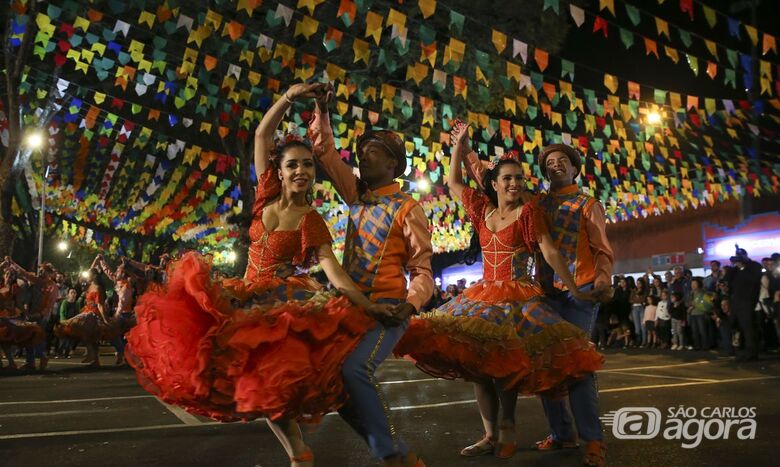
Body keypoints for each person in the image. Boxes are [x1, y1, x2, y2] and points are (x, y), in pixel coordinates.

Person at [127, 83, 399, 467]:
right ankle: (298, 452)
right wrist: (290, 96)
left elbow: (334, 272)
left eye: (308, 164)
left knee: (282, 383)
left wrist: (368, 305)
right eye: (293, 164)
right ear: (280, 171)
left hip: (282, 304)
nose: (302, 170)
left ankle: (352, 452)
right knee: (251, 383)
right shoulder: (266, 195)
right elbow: (262, 135)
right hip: (243, 296)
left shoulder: (312, 221)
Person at [394, 122, 603, 460]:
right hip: (482, 296)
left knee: (505, 367)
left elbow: (548, 250)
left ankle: (508, 429)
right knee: (478, 367)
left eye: (519, 178)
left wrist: (577, 289)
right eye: (507, 178)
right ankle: (490, 435)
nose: (515, 183)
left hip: (519, 298)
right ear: (494, 184)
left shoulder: (529, 211)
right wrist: (458, 145)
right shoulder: (481, 210)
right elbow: (454, 182)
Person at [309, 83, 432, 467]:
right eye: (361, 153)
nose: (363, 157)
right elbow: (324, 152)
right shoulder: (356, 195)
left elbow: (423, 269)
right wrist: (321, 110)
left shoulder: (408, 207)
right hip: (348, 308)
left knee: (355, 368)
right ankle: (397, 454)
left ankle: (390, 453)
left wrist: (409, 306)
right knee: (333, 385)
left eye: (373, 152)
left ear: (393, 164)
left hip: (388, 310)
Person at [55, 270, 116, 367]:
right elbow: (88, 272)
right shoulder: (89, 285)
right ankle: (95, 360)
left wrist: (105, 319)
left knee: (88, 335)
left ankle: (92, 355)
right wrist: (96, 260)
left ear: (94, 276)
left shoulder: (98, 288)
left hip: (93, 314)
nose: (87, 276)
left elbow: (100, 305)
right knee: (89, 336)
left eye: (90, 275)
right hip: (86, 311)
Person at [725, 248, 763, 361]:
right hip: (736, 301)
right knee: (736, 326)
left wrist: (743, 266)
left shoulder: (754, 266)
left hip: (748, 301)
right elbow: (727, 279)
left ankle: (751, 352)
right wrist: (734, 266)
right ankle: (740, 351)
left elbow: (753, 280)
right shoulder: (735, 270)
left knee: (748, 328)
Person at [688, 278, 714, 350]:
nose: (693, 285)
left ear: (699, 284)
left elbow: (710, 300)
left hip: (701, 313)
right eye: (692, 284)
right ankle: (697, 345)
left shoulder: (703, 292)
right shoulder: (691, 293)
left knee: (702, 331)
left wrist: (695, 304)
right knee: (695, 331)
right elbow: (688, 302)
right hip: (693, 314)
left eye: (695, 284)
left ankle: (705, 345)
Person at [56, 288, 80, 358]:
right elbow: (62, 314)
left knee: (70, 339)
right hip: (64, 323)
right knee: (63, 339)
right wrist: (65, 322)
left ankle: (67, 353)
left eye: (74, 293)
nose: (73, 294)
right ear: (68, 294)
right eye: (71, 293)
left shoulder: (77, 303)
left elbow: (77, 313)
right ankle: (59, 353)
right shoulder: (65, 302)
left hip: (72, 323)